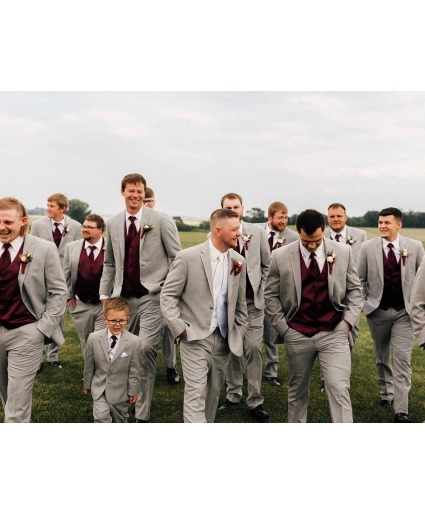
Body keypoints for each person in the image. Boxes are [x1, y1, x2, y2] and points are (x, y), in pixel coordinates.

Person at [265, 209, 362, 423]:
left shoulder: (343, 251)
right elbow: (270, 294)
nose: (311, 245)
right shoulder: (280, 256)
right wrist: (284, 329)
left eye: (316, 241)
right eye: (306, 241)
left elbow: (355, 289)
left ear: (324, 230)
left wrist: (347, 323)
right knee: (297, 391)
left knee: (338, 387)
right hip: (297, 333)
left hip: (334, 331)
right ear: (298, 231)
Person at [99, 173, 181, 423]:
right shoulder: (113, 223)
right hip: (122, 299)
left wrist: (166, 287)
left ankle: (142, 415)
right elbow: (110, 262)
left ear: (144, 194)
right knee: (120, 353)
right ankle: (120, 402)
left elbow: (177, 258)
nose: (135, 195)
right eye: (131, 191)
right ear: (122, 192)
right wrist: (105, 293)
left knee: (145, 348)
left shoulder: (161, 219)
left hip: (152, 296)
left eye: (140, 191)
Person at [160, 209, 248, 423]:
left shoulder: (238, 261)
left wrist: (239, 329)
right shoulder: (187, 257)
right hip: (194, 336)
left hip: (225, 339)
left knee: (213, 392)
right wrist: (180, 328)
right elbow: (168, 295)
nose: (239, 233)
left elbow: (241, 303)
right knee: (195, 392)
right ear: (218, 231)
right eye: (235, 229)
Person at [0, 197, 67, 422]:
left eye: (8, 222)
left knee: (17, 405)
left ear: (23, 221)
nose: (2, 227)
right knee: (8, 397)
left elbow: (59, 292)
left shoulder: (43, 249)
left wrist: (42, 329)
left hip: (27, 333)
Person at [357, 207, 424, 422]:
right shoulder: (367, 248)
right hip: (377, 311)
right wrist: (364, 303)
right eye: (380, 223)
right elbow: (358, 279)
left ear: (399, 225)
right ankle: (386, 393)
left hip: (405, 312)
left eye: (387, 223)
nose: (383, 226)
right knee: (382, 356)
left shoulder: (415, 246)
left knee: (403, 359)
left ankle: (401, 410)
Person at [217, 193, 270, 421]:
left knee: (253, 349)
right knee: (233, 349)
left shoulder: (257, 232)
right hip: (229, 304)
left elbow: (267, 265)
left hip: (253, 302)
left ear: (242, 208)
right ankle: (233, 394)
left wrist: (262, 289)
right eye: (228, 207)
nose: (233, 210)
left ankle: (256, 400)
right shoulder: (216, 233)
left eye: (236, 206)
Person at [30, 192, 82, 369]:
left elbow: (78, 253)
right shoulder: (37, 225)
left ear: (62, 209)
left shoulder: (75, 226)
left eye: (51, 206)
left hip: (62, 279)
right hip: (39, 277)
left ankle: (53, 356)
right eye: (48, 205)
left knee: (58, 317)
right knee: (37, 315)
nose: (48, 208)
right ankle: (37, 359)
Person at [258, 201, 298, 387]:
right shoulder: (256, 232)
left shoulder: (293, 237)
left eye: (286, 217)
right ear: (270, 217)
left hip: (278, 291)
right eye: (280, 217)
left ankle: (271, 371)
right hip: (253, 288)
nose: (284, 221)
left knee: (272, 331)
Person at [84, 297, 142, 423]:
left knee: (119, 420)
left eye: (121, 321)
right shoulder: (93, 338)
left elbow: (135, 370)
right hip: (99, 388)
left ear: (128, 319)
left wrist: (133, 391)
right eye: (113, 321)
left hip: (121, 392)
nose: (117, 324)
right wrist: (87, 384)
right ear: (104, 320)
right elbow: (89, 365)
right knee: (101, 417)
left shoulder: (134, 341)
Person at [143, 187, 180, 384]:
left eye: (150, 200)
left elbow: (176, 256)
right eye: (144, 200)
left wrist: (167, 283)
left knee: (167, 331)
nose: (147, 204)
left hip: (161, 288)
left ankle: (170, 367)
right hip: (135, 291)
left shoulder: (162, 221)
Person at [63, 214, 106, 360]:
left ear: (100, 230)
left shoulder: (112, 248)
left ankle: (101, 374)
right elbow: (66, 274)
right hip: (80, 303)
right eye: (84, 226)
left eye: (89, 227)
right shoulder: (71, 247)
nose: (85, 230)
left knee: (101, 341)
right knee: (86, 341)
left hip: (104, 304)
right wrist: (69, 296)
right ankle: (89, 374)